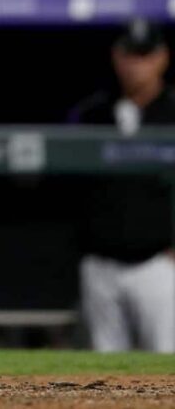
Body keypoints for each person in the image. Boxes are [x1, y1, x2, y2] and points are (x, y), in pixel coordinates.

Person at [69, 19, 175, 353]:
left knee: (167, 361)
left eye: (144, 55)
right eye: (129, 55)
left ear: (162, 58)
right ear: (116, 57)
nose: (136, 65)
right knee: (104, 366)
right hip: (100, 264)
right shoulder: (93, 113)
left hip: (158, 263)